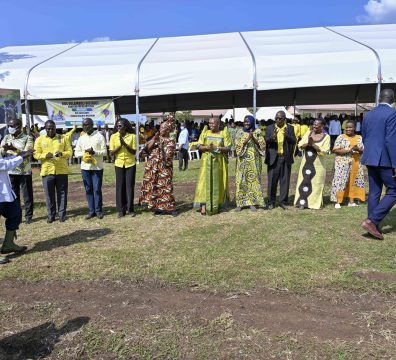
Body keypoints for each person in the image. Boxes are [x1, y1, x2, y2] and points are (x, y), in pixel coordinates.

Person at [360, 89, 396, 240]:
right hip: (386, 159)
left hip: (370, 157)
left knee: (375, 191)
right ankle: (372, 221)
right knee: (394, 190)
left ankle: (372, 224)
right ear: (393, 99)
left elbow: (364, 136)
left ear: (380, 98)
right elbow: (391, 140)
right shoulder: (393, 113)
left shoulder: (368, 114)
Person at [34, 120, 72, 223]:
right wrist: (44, 156)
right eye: (48, 128)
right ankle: (51, 215)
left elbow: (70, 152)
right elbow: (35, 154)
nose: (50, 130)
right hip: (47, 171)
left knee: (62, 193)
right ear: (45, 129)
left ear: (55, 128)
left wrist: (62, 154)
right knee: (49, 195)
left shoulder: (63, 138)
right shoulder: (40, 140)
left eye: (52, 128)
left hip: (61, 171)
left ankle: (62, 214)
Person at [139, 115, 177, 216]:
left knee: (166, 186)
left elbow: (168, 155)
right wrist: (154, 139)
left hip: (164, 166)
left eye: (163, 128)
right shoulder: (156, 138)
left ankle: (170, 208)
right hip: (153, 166)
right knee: (155, 186)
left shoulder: (171, 141)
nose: (161, 130)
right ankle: (159, 207)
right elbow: (147, 149)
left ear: (168, 130)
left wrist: (162, 146)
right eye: (160, 128)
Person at [193, 117, 232, 215]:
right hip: (206, 162)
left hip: (219, 162)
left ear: (218, 124)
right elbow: (199, 146)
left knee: (217, 182)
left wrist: (216, 148)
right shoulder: (205, 132)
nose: (210, 125)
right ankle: (203, 205)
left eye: (213, 124)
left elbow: (228, 148)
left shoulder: (224, 133)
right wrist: (207, 147)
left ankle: (216, 204)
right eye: (209, 123)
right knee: (204, 182)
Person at [0, 150, 32, 264]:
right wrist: (21, 157)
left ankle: (8, 244)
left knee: (15, 213)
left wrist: (18, 156)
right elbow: (3, 165)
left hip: (5, 194)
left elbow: (4, 161)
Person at [1, 118, 34, 224]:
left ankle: (29, 216)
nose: (10, 128)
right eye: (9, 126)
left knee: (27, 195)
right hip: (11, 171)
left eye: (12, 126)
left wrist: (15, 149)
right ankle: (18, 216)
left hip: (24, 171)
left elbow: (27, 153)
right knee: (15, 196)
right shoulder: (7, 137)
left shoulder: (27, 138)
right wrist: (5, 149)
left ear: (19, 127)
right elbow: (1, 150)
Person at [294, 118, 330, 210]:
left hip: (318, 165)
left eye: (317, 125)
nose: (314, 126)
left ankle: (314, 203)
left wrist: (313, 145)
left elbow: (324, 151)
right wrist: (307, 144)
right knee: (304, 181)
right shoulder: (308, 133)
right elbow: (300, 145)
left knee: (316, 183)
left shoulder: (326, 137)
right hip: (306, 164)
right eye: (314, 124)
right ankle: (302, 202)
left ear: (322, 126)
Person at [74, 118, 107, 219]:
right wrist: (84, 153)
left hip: (97, 167)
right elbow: (76, 153)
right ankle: (91, 211)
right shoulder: (81, 138)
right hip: (85, 168)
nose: (85, 127)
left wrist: (94, 152)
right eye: (83, 125)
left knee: (97, 189)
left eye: (87, 125)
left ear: (92, 125)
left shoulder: (99, 136)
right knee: (88, 189)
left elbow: (105, 152)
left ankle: (98, 211)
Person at [265, 111, 296, 209]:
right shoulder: (270, 128)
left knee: (285, 180)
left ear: (284, 119)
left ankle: (283, 201)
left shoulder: (290, 128)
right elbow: (266, 141)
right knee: (272, 181)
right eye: (276, 118)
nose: (278, 120)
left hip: (285, 157)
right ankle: (271, 202)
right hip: (273, 158)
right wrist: (272, 137)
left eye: (280, 118)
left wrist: (287, 136)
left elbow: (294, 141)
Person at [330, 120, 365, 208]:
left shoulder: (359, 137)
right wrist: (349, 150)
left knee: (353, 181)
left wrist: (358, 149)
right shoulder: (341, 137)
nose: (348, 129)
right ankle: (338, 202)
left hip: (355, 162)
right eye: (347, 127)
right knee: (340, 181)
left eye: (350, 127)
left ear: (354, 128)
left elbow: (362, 151)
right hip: (342, 163)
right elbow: (336, 150)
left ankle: (351, 202)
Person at [234, 115, 266, 212]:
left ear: (252, 122)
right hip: (242, 161)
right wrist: (247, 139)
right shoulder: (239, 132)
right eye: (245, 121)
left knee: (253, 180)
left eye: (248, 121)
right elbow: (237, 145)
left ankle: (253, 202)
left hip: (254, 160)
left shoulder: (258, 131)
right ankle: (240, 203)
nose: (246, 123)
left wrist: (253, 138)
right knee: (241, 181)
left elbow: (262, 145)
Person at [109, 118, 137, 217]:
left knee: (129, 186)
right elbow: (111, 153)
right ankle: (121, 210)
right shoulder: (113, 136)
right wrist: (120, 146)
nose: (118, 127)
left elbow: (134, 152)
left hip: (130, 164)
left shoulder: (133, 136)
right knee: (120, 187)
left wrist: (125, 144)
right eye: (117, 126)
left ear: (125, 126)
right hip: (119, 164)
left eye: (120, 126)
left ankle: (130, 209)